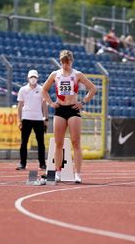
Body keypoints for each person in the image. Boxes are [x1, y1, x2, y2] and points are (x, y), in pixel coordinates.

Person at [41, 50, 97, 183]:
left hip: (73, 110)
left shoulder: (77, 74)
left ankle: (77, 174)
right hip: (60, 109)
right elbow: (44, 89)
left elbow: (93, 88)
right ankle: (58, 173)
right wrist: (50, 103)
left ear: (71, 61)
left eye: (67, 62)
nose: (65, 65)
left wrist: (82, 102)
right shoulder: (55, 74)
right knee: (58, 143)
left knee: (76, 142)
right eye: (63, 62)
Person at [16, 69, 48, 171]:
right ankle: (22, 163)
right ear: (28, 78)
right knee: (24, 142)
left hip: (38, 119)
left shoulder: (42, 89)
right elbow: (20, 106)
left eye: (34, 77)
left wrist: (45, 118)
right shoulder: (23, 90)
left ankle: (42, 164)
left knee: (41, 143)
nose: (33, 79)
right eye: (31, 77)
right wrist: (19, 120)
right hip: (26, 118)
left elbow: (44, 104)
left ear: (37, 78)